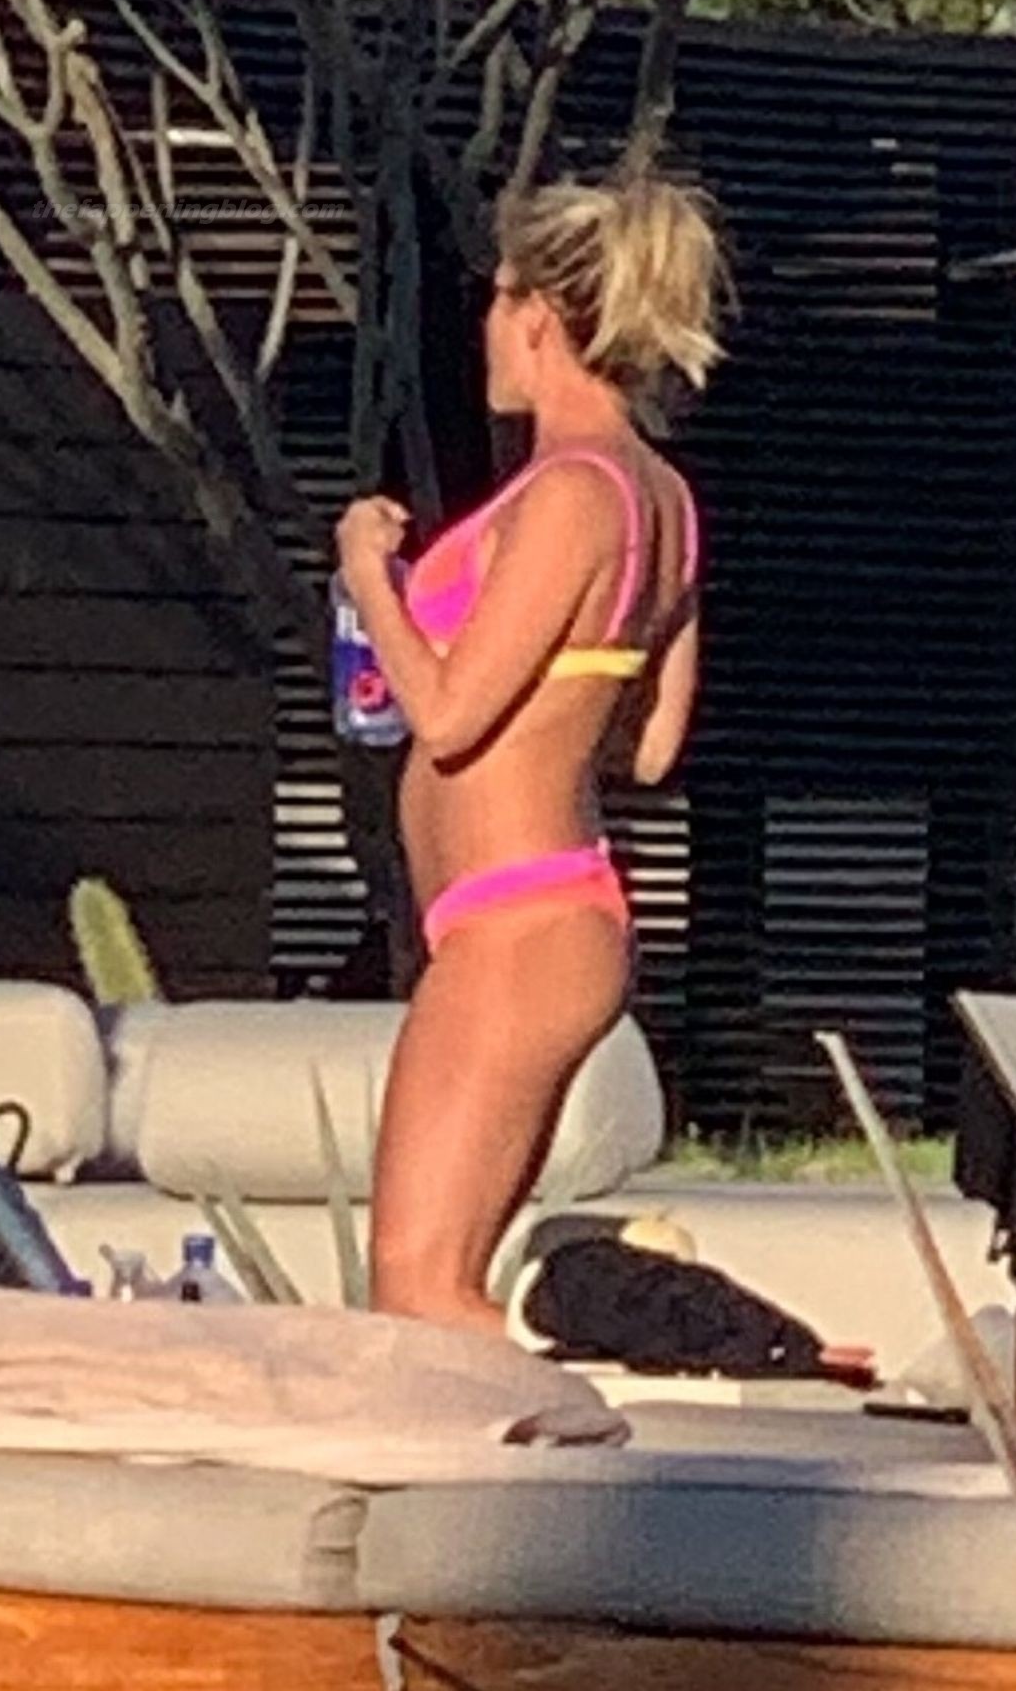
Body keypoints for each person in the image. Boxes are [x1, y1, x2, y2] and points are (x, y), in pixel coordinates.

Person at [335, 174, 717, 1337]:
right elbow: (649, 744)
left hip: (513, 923)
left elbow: (448, 717)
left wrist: (368, 578)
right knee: (442, 1282)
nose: (486, 335)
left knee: (415, 1286)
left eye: (496, 304)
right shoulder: (662, 499)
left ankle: (568, 1446)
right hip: (547, 910)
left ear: (539, 314)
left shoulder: (570, 493)